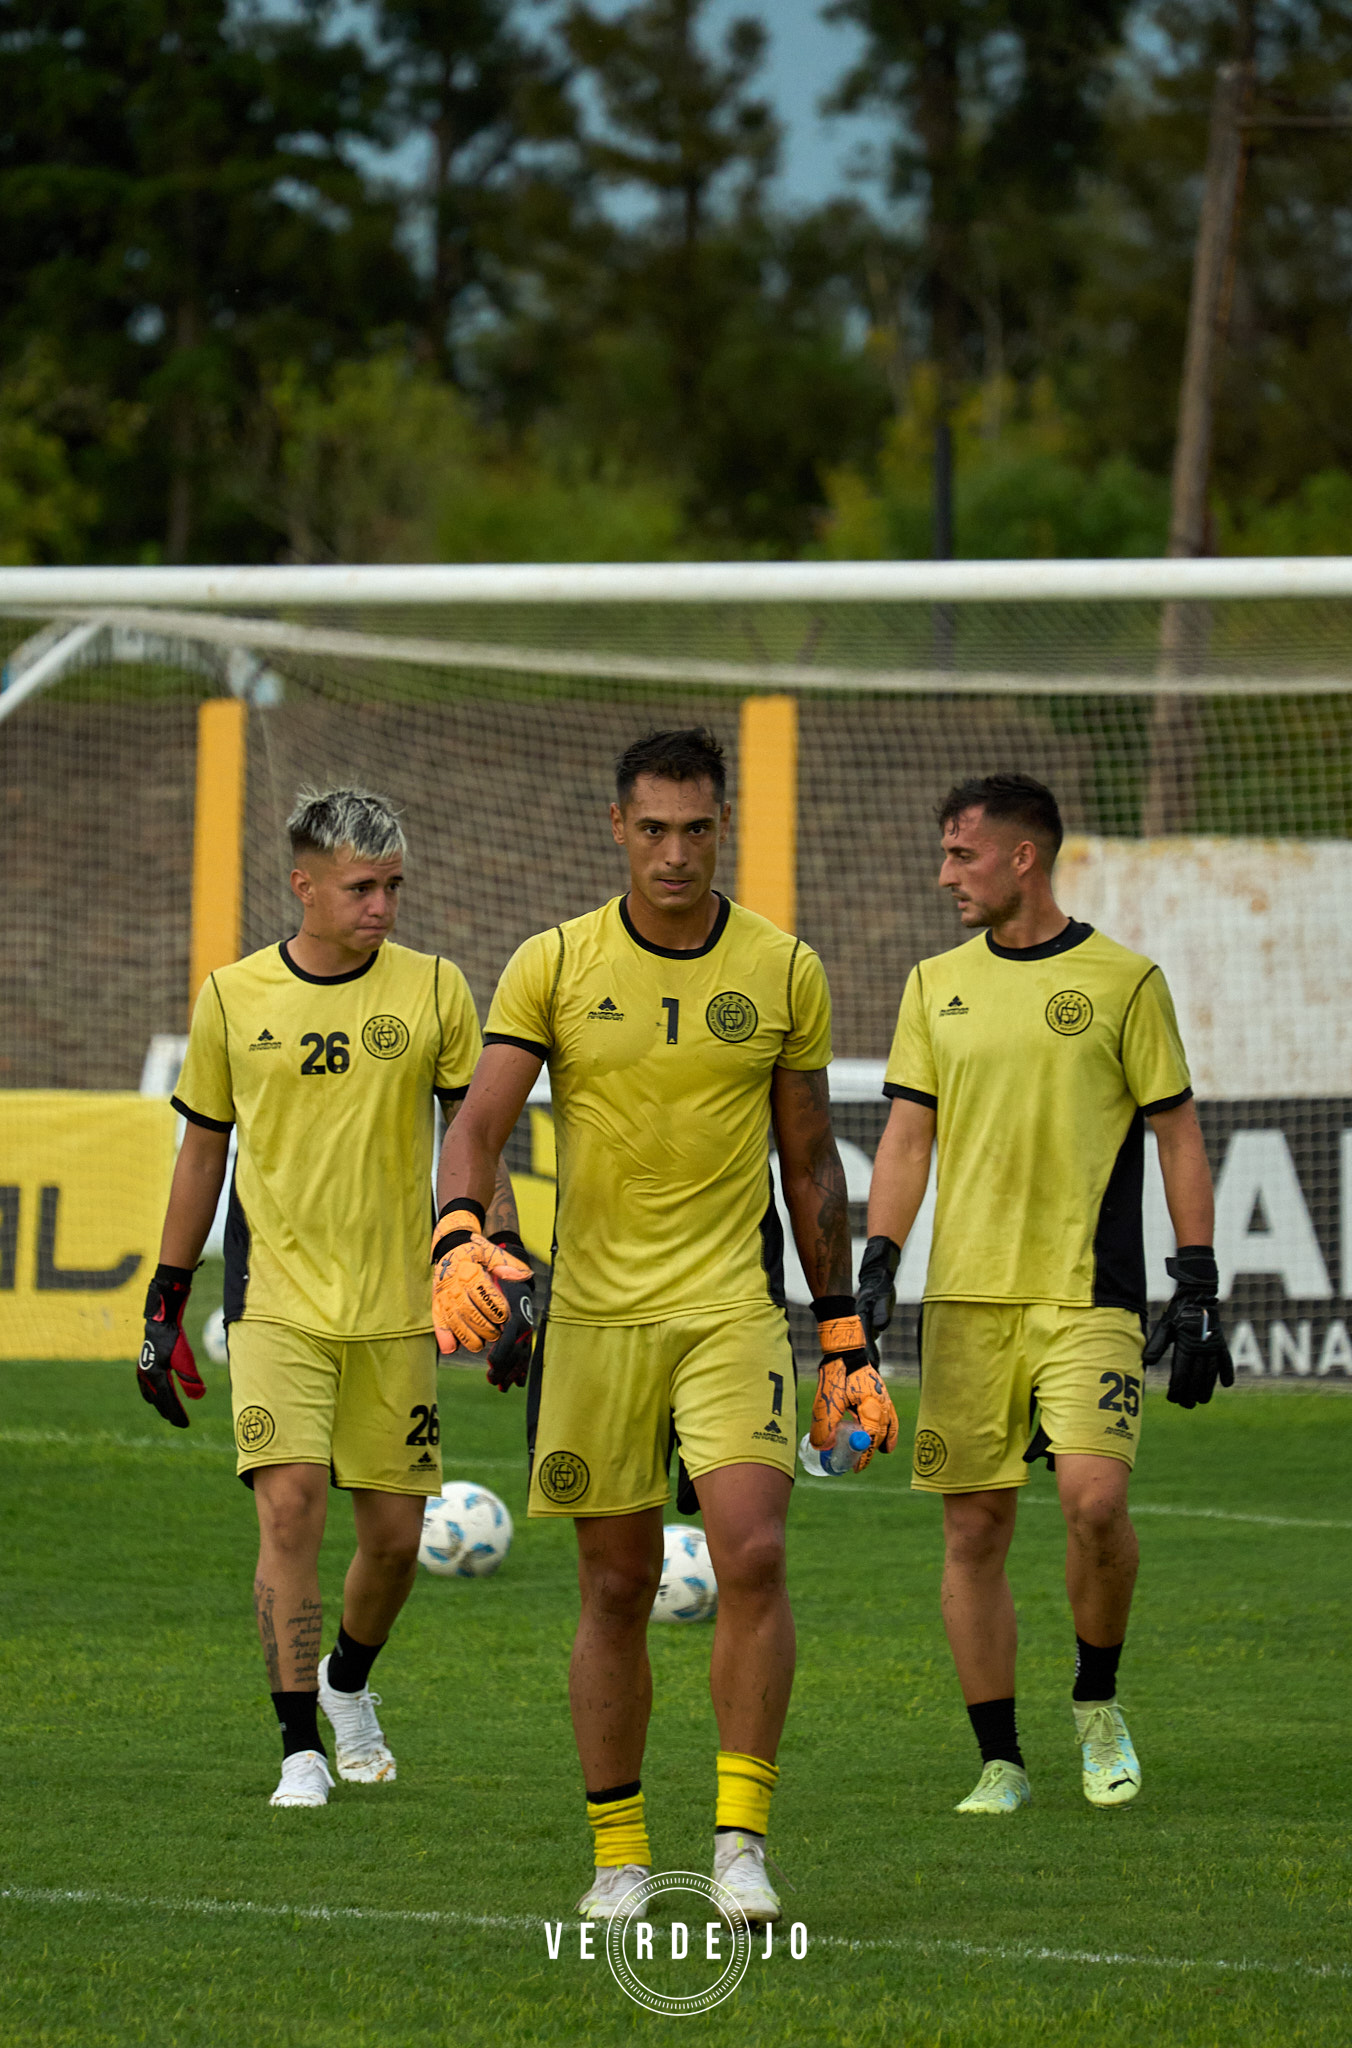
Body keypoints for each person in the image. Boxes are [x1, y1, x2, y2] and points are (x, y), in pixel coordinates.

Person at [433, 727, 897, 1924]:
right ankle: (621, 1856)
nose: (675, 853)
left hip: (729, 1310)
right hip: (592, 1319)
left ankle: (738, 1844)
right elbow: (477, 1123)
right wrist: (456, 1233)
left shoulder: (783, 966)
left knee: (751, 1550)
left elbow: (809, 1165)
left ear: (720, 827)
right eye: (653, 829)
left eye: (695, 829)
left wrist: (840, 1331)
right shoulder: (552, 961)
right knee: (615, 1582)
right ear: (616, 826)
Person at [859, 773, 1232, 1815]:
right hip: (966, 1303)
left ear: (1021, 856)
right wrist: (879, 1256)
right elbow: (906, 1133)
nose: (945, 875)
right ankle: (999, 1758)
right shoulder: (934, 982)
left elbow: (1176, 1133)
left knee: (1093, 1503)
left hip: (1086, 1296)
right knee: (972, 1531)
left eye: (960, 855)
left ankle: (1096, 1704)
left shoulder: (1123, 980)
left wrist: (1195, 1279)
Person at [137, 787, 516, 1808]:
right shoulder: (231, 995)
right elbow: (201, 1154)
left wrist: (496, 1254)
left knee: (394, 1537)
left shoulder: (436, 987)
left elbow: (472, 1139)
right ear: (302, 884)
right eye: (361, 886)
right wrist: (165, 1301)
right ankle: (298, 1740)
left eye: (393, 886)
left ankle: (348, 1682)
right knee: (292, 1509)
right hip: (276, 1303)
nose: (382, 905)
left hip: (399, 1305)